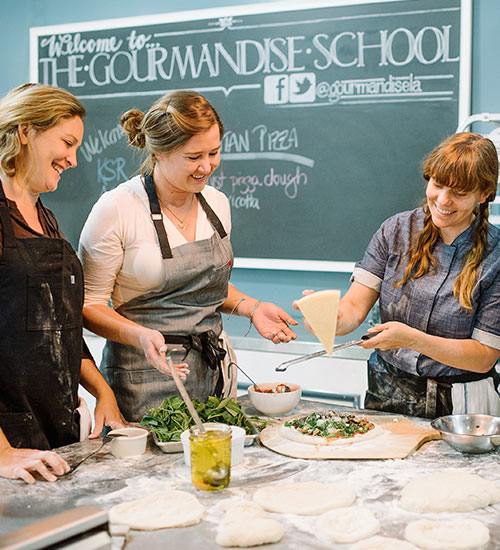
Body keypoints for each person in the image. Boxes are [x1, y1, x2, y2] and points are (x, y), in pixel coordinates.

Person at [79, 90, 297, 422]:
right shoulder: (117, 209)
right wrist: (140, 335)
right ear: (159, 152)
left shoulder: (217, 204)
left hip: (212, 371)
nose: (206, 166)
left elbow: (203, 288)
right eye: (194, 156)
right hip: (143, 376)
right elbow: (89, 305)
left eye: (214, 152)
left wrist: (251, 307)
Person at [299, 132, 500, 418]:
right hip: (387, 391)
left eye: (459, 193)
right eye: (438, 184)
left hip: (462, 405)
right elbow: (353, 309)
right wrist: (326, 318)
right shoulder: (396, 231)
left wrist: (412, 339)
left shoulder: (495, 255)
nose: (443, 200)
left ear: (484, 194)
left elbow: (483, 357)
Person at [0, 83, 125, 484]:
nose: (73, 160)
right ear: (26, 131)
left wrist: (103, 392)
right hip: (9, 442)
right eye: (67, 143)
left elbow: (61, 329)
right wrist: (3, 454)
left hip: (54, 433)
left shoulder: (46, 219)